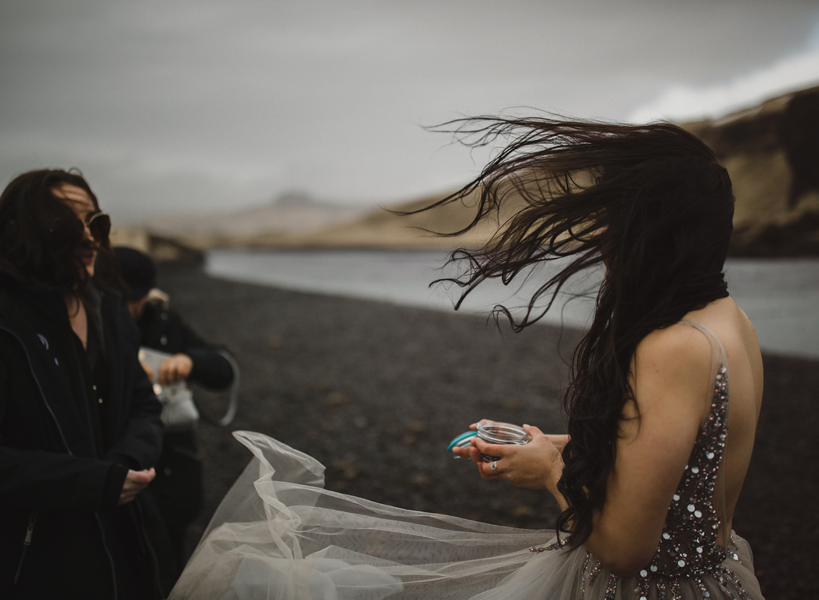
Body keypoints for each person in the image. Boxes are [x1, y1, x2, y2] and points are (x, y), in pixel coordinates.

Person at [170, 118, 764, 600]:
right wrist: (555, 443)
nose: (602, 240)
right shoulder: (731, 323)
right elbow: (685, 454)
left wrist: (547, 474)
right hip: (717, 578)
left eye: (615, 222)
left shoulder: (671, 347)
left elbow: (625, 549)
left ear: (652, 232)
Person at [0, 169, 175, 599]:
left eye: (96, 223)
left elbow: (144, 406)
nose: (89, 239)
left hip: (126, 541)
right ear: (18, 230)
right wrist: (93, 483)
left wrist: (123, 467)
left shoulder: (109, 310)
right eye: (67, 222)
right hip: (32, 562)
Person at [114, 246, 236, 569]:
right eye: (117, 299)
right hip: (114, 486)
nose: (127, 310)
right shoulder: (87, 330)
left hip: (171, 481)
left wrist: (189, 360)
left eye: (133, 300)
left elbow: (224, 368)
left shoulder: (164, 323)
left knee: (168, 567)